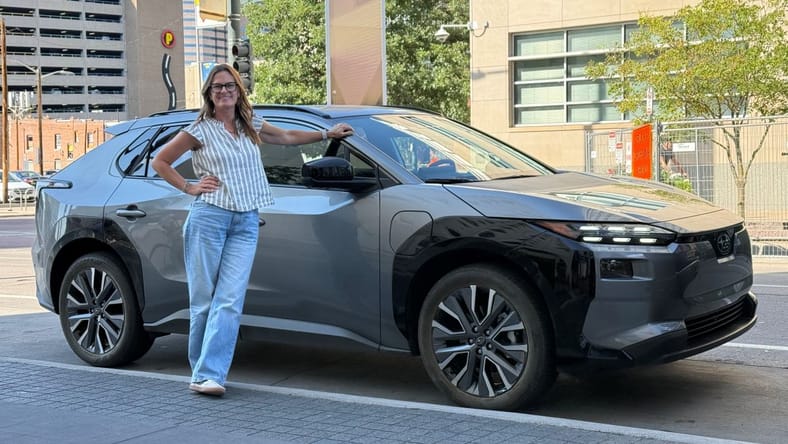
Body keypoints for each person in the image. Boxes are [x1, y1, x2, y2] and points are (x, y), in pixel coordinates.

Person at [151, 63, 353, 396]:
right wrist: (188, 187)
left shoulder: (250, 125)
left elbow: (286, 137)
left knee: (229, 300)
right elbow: (161, 161)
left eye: (230, 85)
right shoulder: (199, 130)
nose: (224, 91)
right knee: (203, 301)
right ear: (210, 94)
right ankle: (201, 372)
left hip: (245, 222)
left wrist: (325, 135)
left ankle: (210, 374)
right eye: (217, 87)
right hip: (209, 218)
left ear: (238, 90)